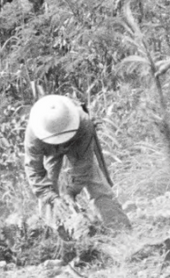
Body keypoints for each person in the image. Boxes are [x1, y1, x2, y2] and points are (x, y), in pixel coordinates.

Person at [23, 94, 131, 234]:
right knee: (48, 189)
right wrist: (53, 198)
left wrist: (71, 191)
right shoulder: (34, 136)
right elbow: (35, 172)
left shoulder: (83, 122)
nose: (61, 142)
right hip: (48, 148)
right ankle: (54, 234)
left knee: (95, 182)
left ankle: (121, 230)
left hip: (76, 141)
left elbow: (84, 162)